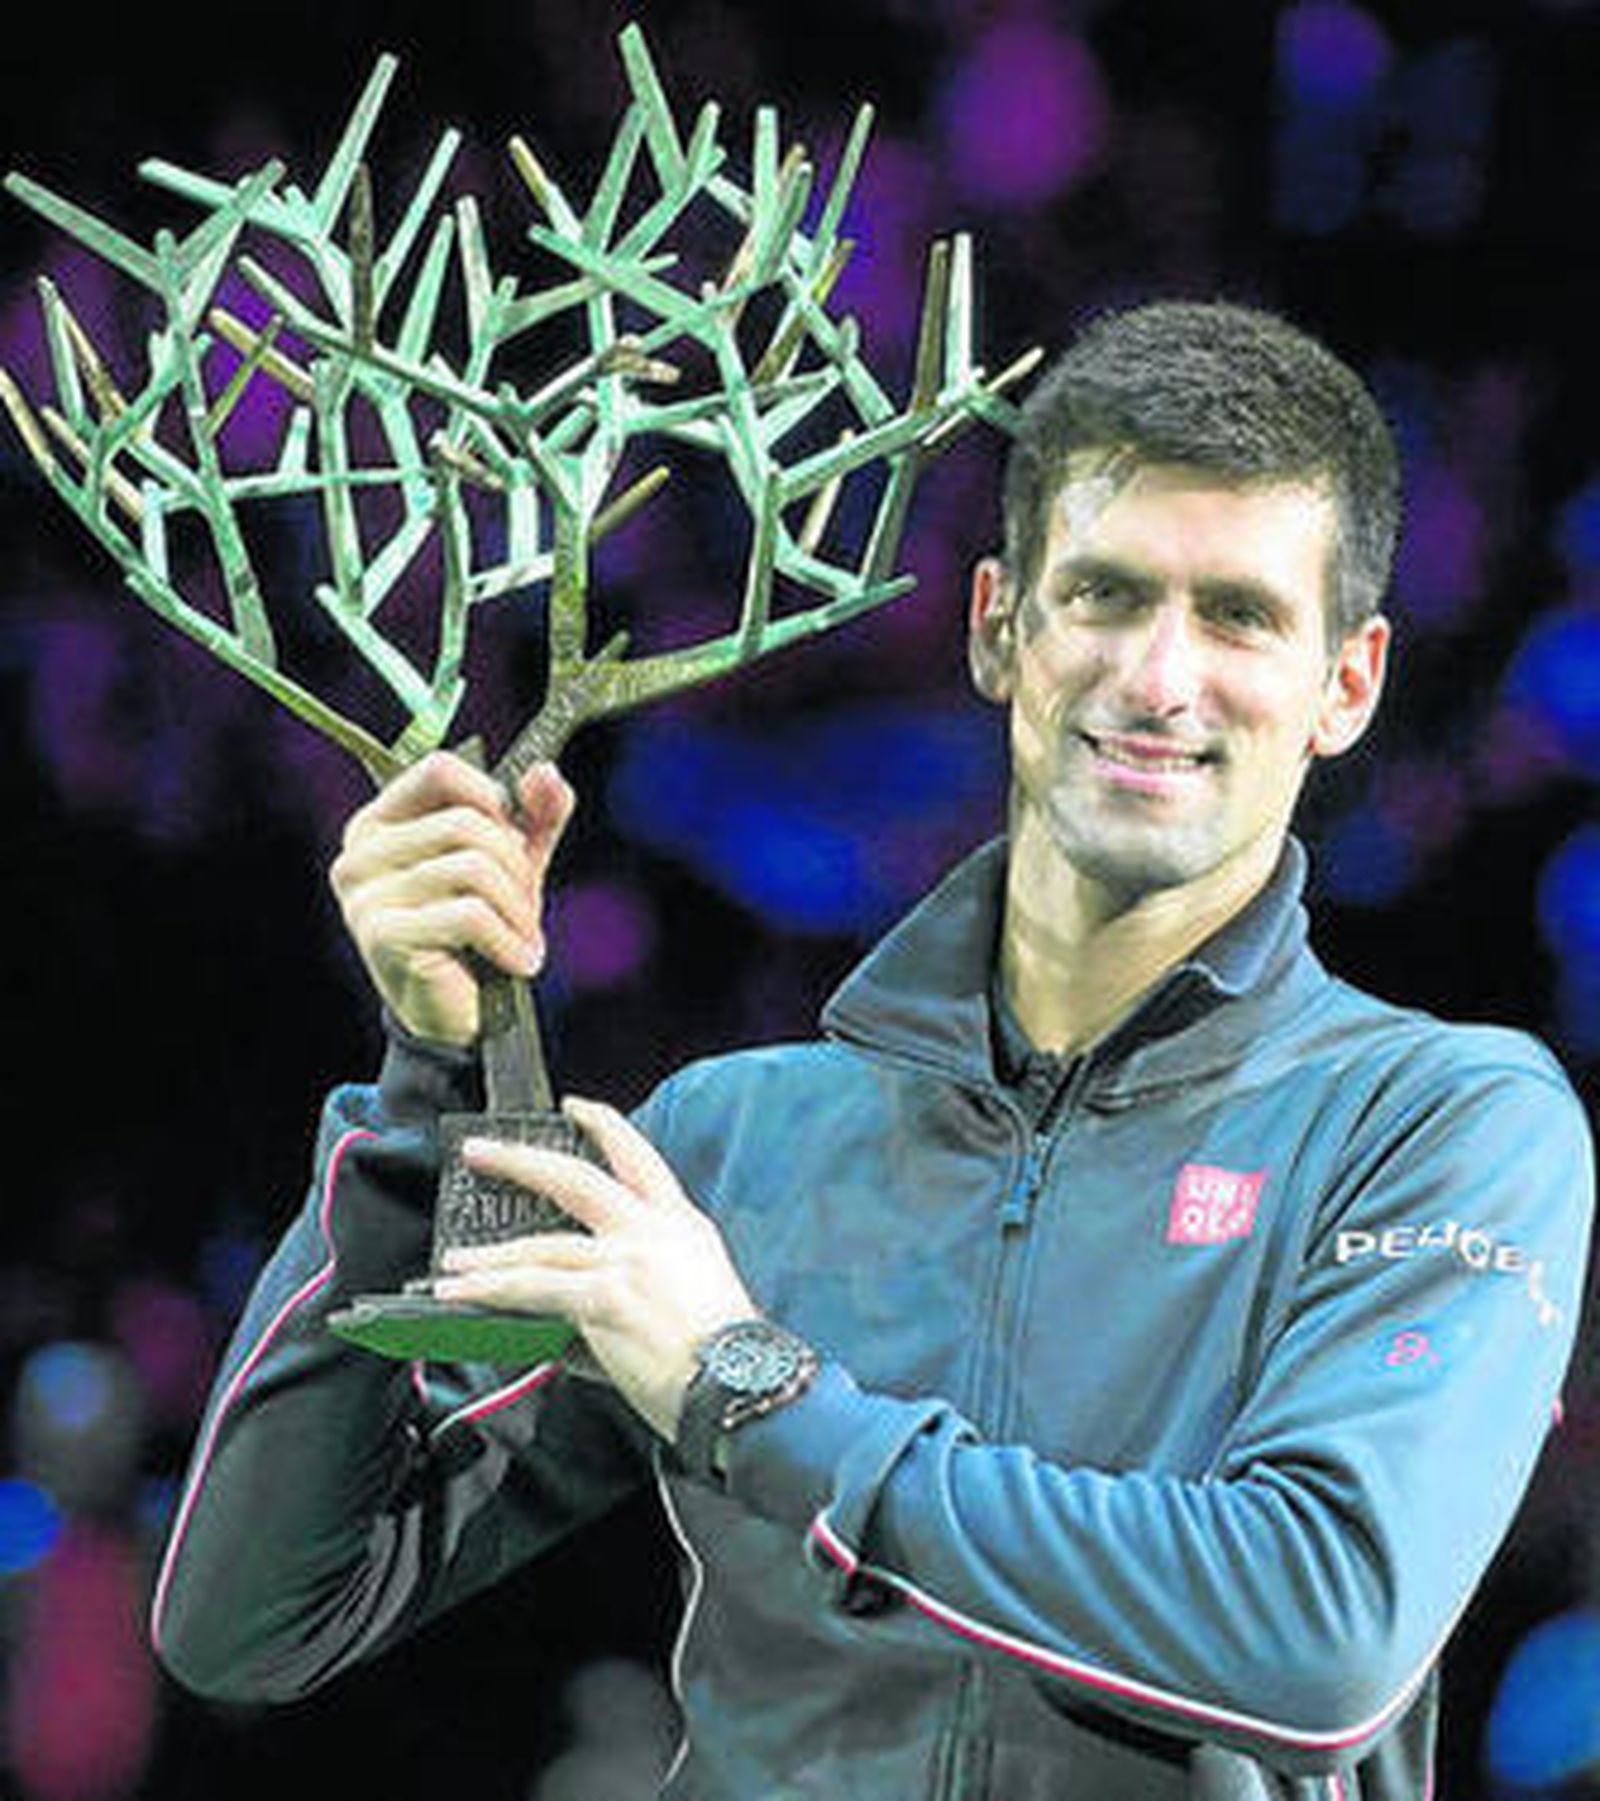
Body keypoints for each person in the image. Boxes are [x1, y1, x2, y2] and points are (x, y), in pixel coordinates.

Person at [150, 300, 1593, 1801]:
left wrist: (749, 1388)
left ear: (1345, 685)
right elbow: (258, 1618)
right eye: (1103, 594)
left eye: (1238, 614)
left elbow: (1316, 1635)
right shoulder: (730, 1146)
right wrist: (423, 1086)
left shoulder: (1442, 1124)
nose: (1162, 679)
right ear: (996, 626)